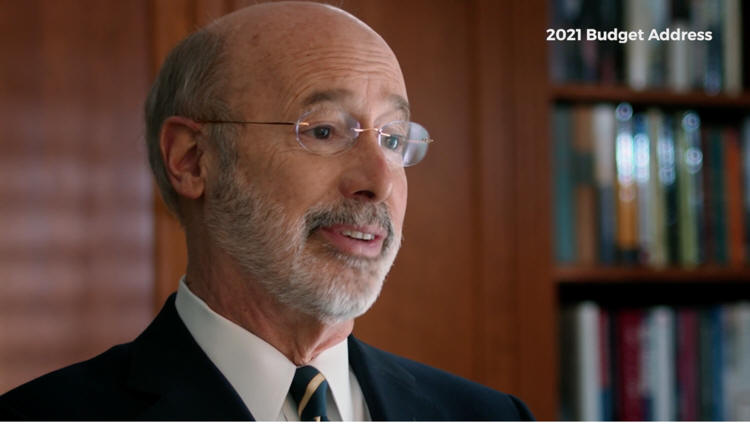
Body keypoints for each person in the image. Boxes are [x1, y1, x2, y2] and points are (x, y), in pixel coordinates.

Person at [0, 1, 533, 420]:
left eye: (392, 140)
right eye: (324, 131)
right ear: (192, 160)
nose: (378, 182)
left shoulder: (491, 416)